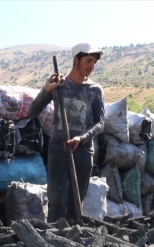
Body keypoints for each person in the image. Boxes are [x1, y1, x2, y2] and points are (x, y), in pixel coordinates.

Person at [27, 42, 105, 223]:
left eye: (94, 62)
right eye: (88, 61)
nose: (91, 66)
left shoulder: (94, 89)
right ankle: (53, 246)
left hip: (83, 152)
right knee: (57, 203)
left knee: (75, 206)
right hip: (58, 149)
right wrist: (46, 90)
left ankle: (72, 245)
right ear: (75, 60)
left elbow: (100, 123)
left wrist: (82, 138)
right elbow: (32, 112)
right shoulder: (59, 86)